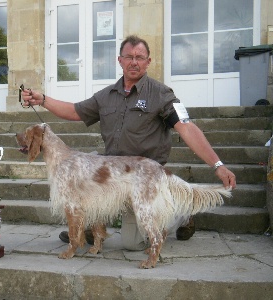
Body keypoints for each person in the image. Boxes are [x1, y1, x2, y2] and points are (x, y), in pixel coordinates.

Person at [21, 35, 236, 250]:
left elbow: (186, 127)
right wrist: (43, 100)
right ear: (120, 60)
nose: (134, 62)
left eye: (140, 57)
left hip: (143, 176)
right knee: (84, 181)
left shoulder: (161, 94)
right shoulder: (106, 95)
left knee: (132, 243)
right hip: (113, 174)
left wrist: (218, 165)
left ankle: (180, 212)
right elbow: (75, 111)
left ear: (148, 62)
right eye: (129, 57)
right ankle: (86, 225)